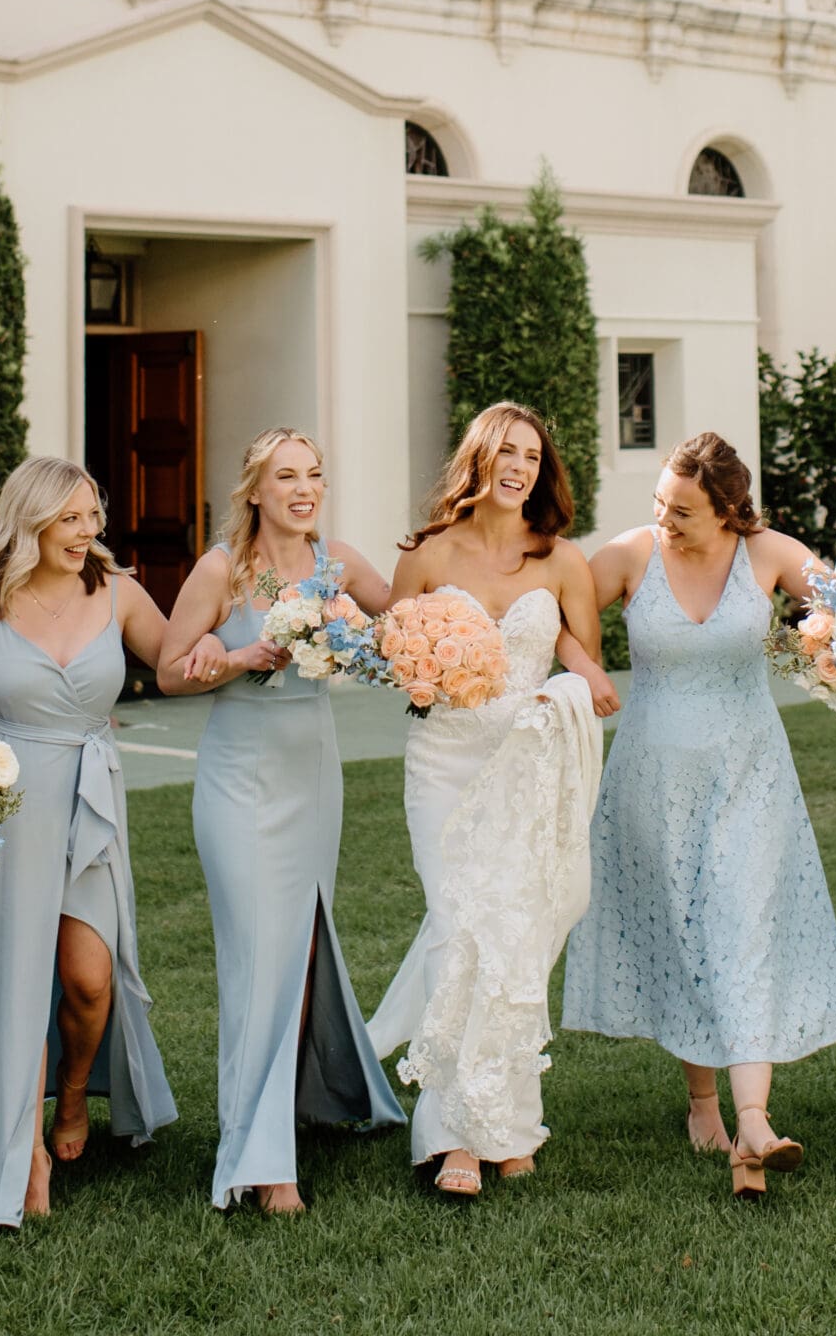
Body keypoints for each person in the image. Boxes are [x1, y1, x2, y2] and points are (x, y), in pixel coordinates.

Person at [562, 431, 836, 1198]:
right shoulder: (630, 555)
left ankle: (753, 1123)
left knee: (741, 925)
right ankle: (704, 1103)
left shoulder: (766, 555)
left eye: (684, 510)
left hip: (748, 774)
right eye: (660, 502)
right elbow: (549, 611)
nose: (665, 517)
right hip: (650, 779)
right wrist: (586, 663)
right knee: (681, 929)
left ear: (729, 510)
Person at [0, 457, 177, 1222]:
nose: (86, 533)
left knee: (89, 982)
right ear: (31, 522)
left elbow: (178, 663)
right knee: (12, 981)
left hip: (87, 800)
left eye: (93, 517)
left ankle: (76, 1093)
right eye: (69, 519)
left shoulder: (119, 592)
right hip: (5, 803)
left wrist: (256, 642)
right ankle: (19, 1155)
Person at [369, 402, 617, 1198]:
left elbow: (578, 653)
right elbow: (393, 659)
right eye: (506, 452)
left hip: (527, 763)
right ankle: (454, 1142)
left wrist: (584, 680)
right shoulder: (425, 556)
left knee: (513, 938)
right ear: (478, 459)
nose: (519, 467)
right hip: (444, 762)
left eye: (533, 458)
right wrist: (421, 667)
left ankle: (505, 1124)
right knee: (457, 930)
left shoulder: (561, 561)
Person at [159, 429, 402, 1214]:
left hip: (312, 775)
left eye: (314, 475)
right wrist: (235, 660)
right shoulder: (221, 570)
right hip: (238, 779)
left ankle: (290, 1118)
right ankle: (260, 1159)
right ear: (254, 490)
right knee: (255, 957)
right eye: (285, 476)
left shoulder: (339, 564)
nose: (304, 488)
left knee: (294, 953)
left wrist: (375, 642)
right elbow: (166, 672)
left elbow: (405, 626)